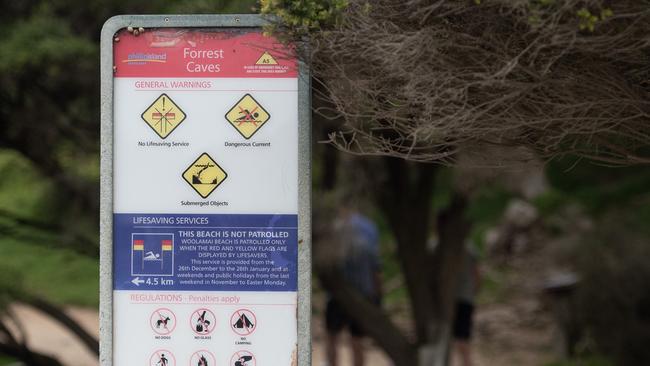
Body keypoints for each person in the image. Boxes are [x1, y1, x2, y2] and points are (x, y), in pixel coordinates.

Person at [325, 203, 382, 366]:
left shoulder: (335, 227)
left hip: (338, 294)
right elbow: (376, 267)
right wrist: (377, 295)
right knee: (357, 341)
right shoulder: (370, 228)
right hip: (363, 293)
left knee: (332, 338)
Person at [452, 243, 481, 366]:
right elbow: (477, 274)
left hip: (445, 301)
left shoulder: (434, 246)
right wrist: (473, 292)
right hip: (465, 298)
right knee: (463, 341)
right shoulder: (469, 248)